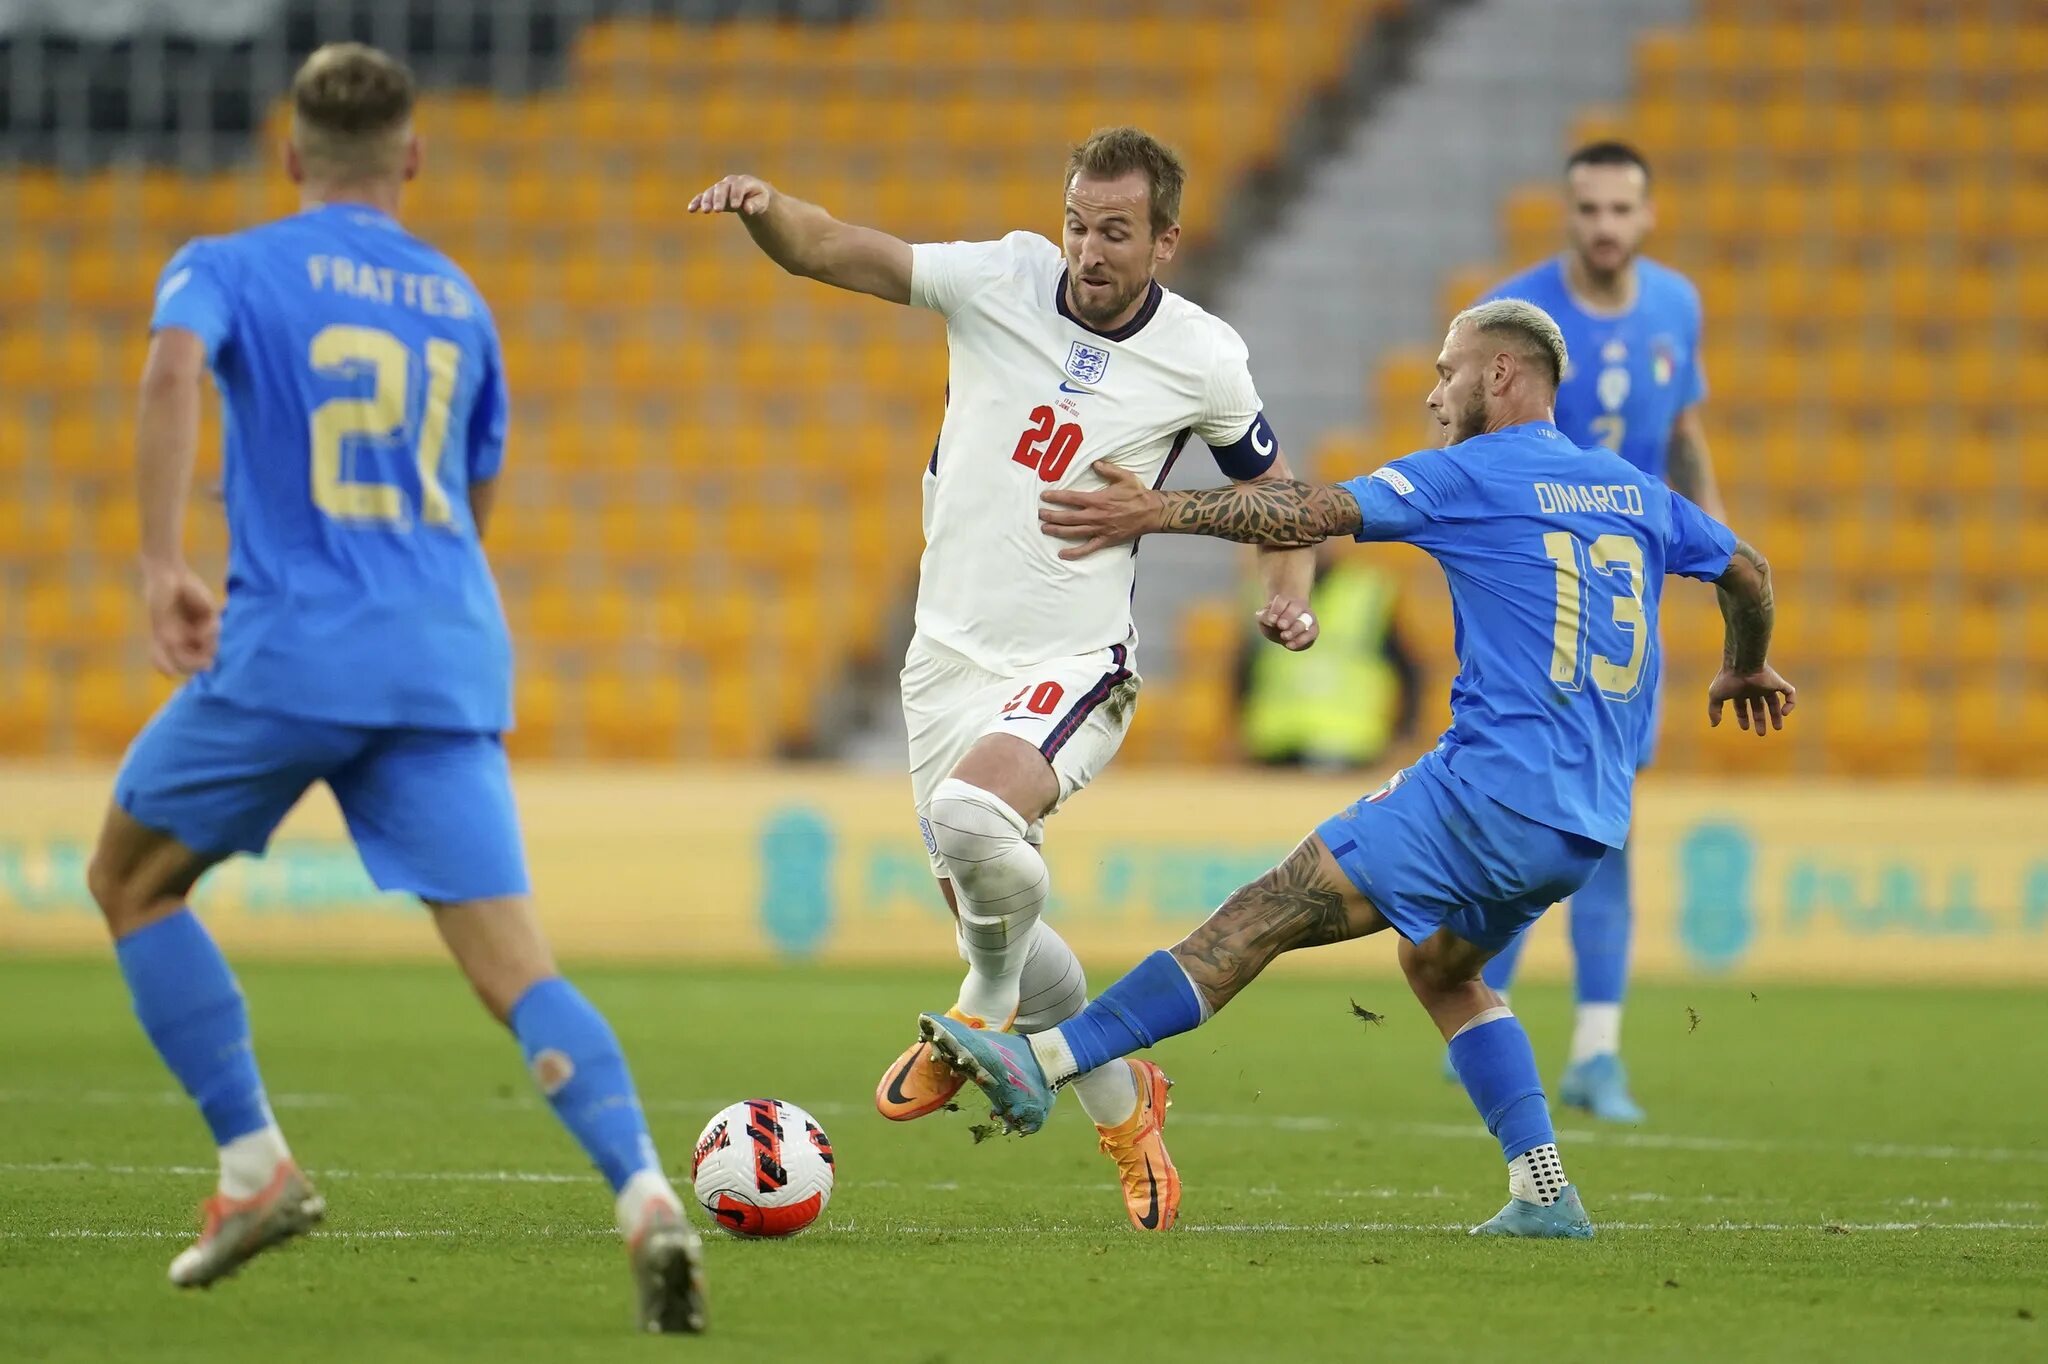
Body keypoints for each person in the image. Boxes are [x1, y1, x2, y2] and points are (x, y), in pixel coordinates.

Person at [919, 299, 1792, 1237]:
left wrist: (1157, 508)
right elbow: (1748, 570)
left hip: (1488, 792)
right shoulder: (1631, 490)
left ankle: (1044, 1061)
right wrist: (1744, 659)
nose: (1433, 392)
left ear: (1501, 375)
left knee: (1264, 911)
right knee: (1441, 964)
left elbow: (1312, 509)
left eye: (1449, 370)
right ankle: (1544, 1190)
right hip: (1585, 822)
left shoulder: (1475, 473)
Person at [84, 44, 706, 1332]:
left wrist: (162, 565)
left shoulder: (226, 261)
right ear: (412, 157)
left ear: (288, 151)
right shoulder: (460, 303)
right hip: (442, 653)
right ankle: (644, 1188)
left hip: (294, 647)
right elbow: (468, 507)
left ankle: (254, 1164)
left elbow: (166, 374)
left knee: (131, 879)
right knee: (513, 964)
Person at [687, 127, 1318, 1232]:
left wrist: (1287, 588)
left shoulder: (1202, 355)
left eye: (1115, 231)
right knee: (1000, 909)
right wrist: (765, 210)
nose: (1087, 249)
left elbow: (1281, 491)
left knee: (977, 822)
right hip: (943, 658)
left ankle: (972, 1016)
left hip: (1071, 660)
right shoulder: (1001, 278)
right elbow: (835, 248)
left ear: (1165, 240)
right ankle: (1128, 1110)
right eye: (1077, 221)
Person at [1468, 140, 1727, 1122]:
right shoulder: (1514, 318)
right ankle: (1480, 1010)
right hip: (1534, 604)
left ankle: (1594, 1052)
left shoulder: (1675, 305)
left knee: (1608, 828)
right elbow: (1473, 449)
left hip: (1624, 613)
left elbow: (1683, 437)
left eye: (1620, 210)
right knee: (1529, 820)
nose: (1604, 227)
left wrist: (1716, 549)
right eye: (1587, 210)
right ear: (1565, 214)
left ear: (1646, 215)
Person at [1234, 539, 1417, 769]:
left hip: (1351, 744)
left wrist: (1404, 731)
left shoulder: (1368, 590)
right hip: (1275, 741)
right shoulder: (1260, 591)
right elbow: (1244, 666)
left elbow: (1406, 667)